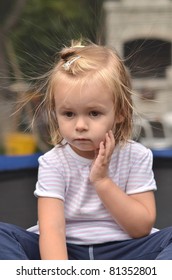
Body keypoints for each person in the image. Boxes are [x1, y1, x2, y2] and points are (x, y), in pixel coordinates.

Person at [1, 39, 172, 260]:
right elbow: (52, 231)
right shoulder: (54, 162)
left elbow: (140, 228)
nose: (80, 125)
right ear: (55, 112)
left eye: (93, 113)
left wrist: (102, 182)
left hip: (126, 252)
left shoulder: (136, 156)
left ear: (119, 112)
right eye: (69, 114)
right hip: (67, 252)